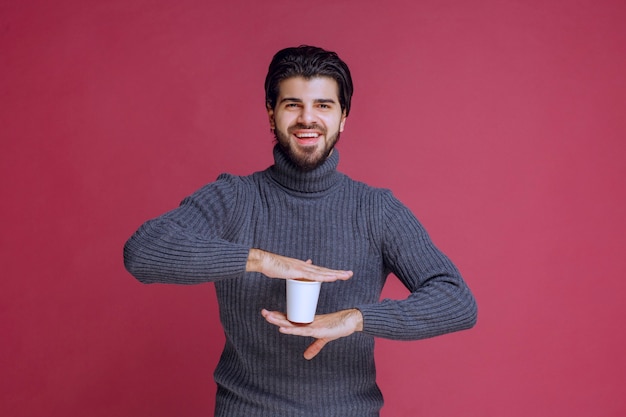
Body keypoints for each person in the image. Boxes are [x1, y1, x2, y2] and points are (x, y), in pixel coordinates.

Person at [123, 45, 477, 417]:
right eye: (293, 104)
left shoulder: (375, 209)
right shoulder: (234, 197)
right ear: (271, 115)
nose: (307, 119)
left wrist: (355, 318)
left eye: (323, 105)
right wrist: (261, 260)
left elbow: (456, 300)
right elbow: (143, 251)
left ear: (343, 118)